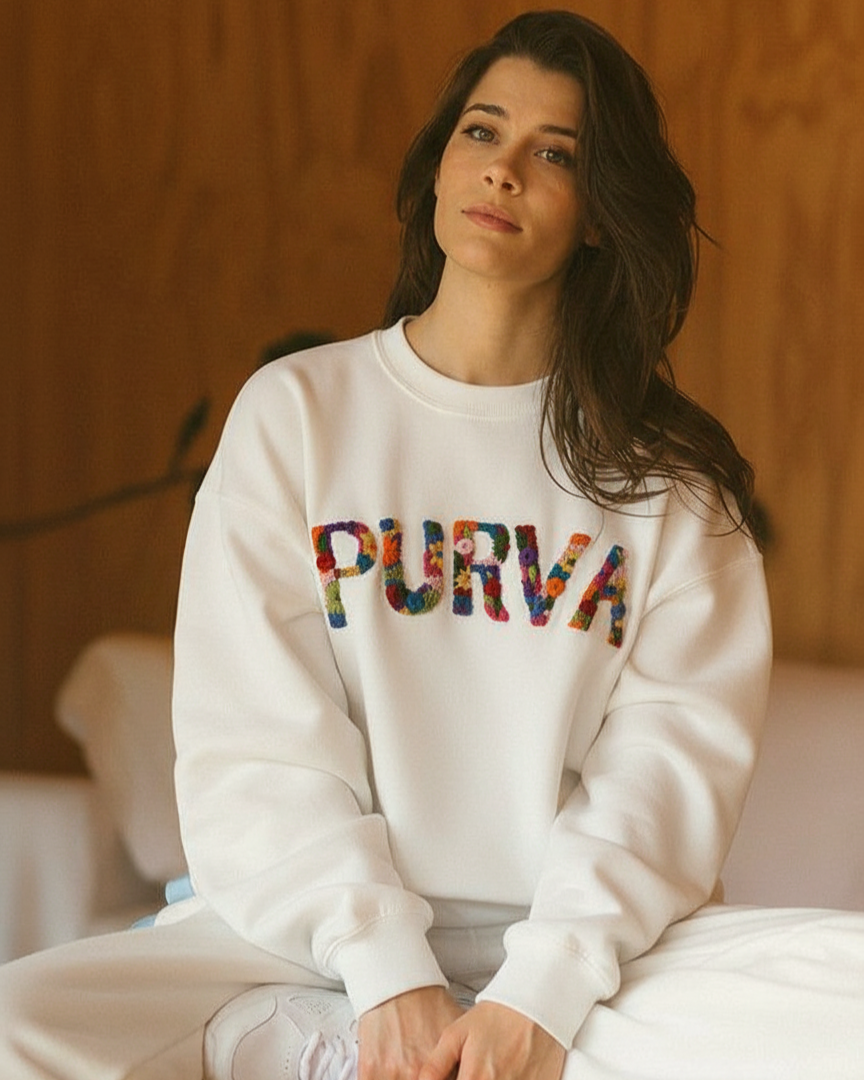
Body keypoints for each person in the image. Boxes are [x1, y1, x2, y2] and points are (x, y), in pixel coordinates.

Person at [1, 10, 863, 1080]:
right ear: (443, 161)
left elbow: (663, 784)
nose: (502, 170)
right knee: (21, 1020)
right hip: (315, 946)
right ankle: (345, 1038)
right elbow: (256, 737)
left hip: (586, 969)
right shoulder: (299, 413)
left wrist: (536, 1002)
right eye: (482, 132)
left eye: (555, 154)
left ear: (601, 214)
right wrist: (386, 972)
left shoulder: (671, 486)